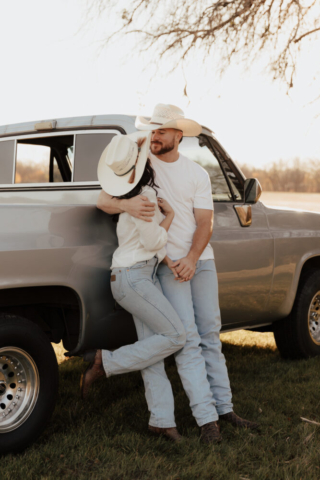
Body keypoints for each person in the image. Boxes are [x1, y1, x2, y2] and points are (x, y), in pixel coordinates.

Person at [97, 104, 259, 444]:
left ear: (178, 135)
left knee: (211, 335)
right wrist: (126, 204)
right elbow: (103, 199)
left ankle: (225, 409)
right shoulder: (140, 164)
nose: (154, 135)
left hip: (201, 261)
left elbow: (205, 222)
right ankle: (207, 423)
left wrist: (193, 256)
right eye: (152, 130)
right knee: (187, 341)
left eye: (161, 131)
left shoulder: (197, 173)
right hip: (168, 265)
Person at [81, 130, 186, 442]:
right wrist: (171, 216)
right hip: (133, 278)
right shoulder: (146, 197)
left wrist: (138, 141)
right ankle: (104, 361)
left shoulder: (125, 195)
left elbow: (144, 243)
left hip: (131, 276)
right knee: (175, 335)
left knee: (151, 349)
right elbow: (154, 240)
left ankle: (162, 422)